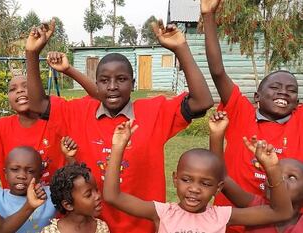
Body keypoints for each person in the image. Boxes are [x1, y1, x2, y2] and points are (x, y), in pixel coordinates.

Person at [25, 18, 213, 232]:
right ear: (96, 84)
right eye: (104, 80)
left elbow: (202, 102)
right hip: (92, 227)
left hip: (142, 227)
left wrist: (181, 48)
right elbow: (37, 103)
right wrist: (32, 54)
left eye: (121, 79)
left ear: (133, 84)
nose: (112, 87)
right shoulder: (78, 112)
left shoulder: (154, 111)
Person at [202, 0, 303, 231]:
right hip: (234, 218)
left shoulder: (300, 121)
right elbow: (218, 72)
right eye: (275, 87)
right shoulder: (240, 112)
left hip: (286, 224)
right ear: (257, 96)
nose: (283, 93)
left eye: (291, 91)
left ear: (297, 103)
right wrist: (208, 16)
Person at [103, 121, 293, 233]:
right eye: (186, 180)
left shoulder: (222, 216)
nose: (194, 188)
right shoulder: (162, 213)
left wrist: (272, 167)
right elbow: (113, 196)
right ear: (175, 179)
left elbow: (281, 212)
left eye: (205, 183)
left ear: (218, 188)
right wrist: (118, 146)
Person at [0, 55, 98, 188]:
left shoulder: (58, 117)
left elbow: (98, 98)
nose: (20, 90)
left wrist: (68, 69)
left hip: (55, 205)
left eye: (26, 86)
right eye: (13, 89)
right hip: (17, 207)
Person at [209, 111, 303, 233]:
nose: (279, 178)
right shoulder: (256, 206)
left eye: (292, 177)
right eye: (275, 172)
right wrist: (217, 135)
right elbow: (221, 178)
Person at [41, 163, 110, 233]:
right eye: (88, 195)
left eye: (97, 190)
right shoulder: (51, 231)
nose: (98, 196)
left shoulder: (101, 227)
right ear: (68, 205)